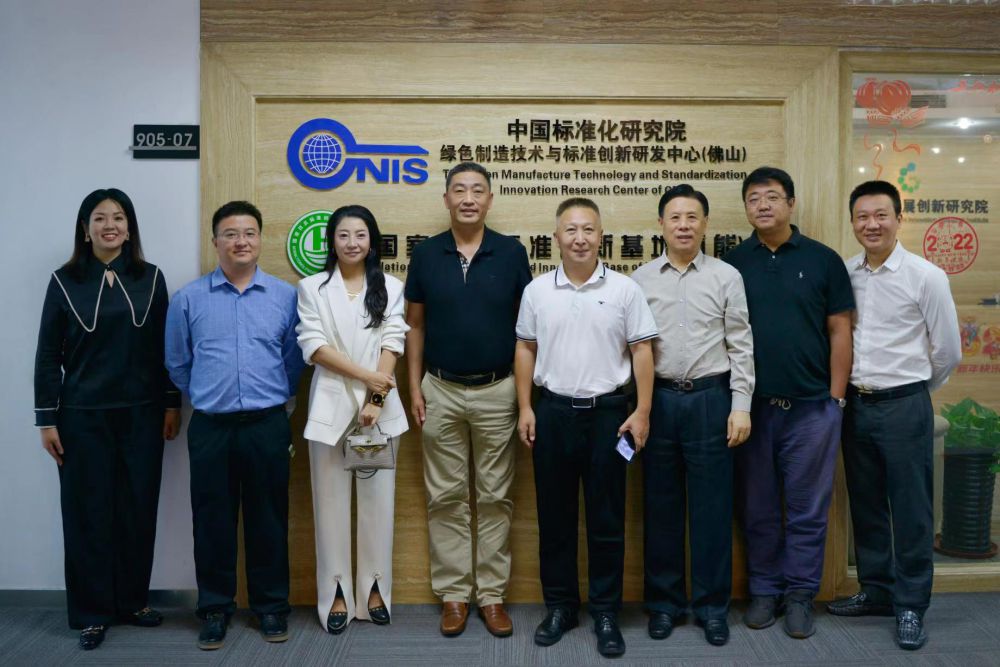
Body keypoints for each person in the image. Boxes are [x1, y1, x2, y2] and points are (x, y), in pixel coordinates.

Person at [34, 188, 181, 650]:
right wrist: (46, 419)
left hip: (143, 414)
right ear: (85, 229)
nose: (110, 225)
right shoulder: (64, 281)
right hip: (82, 417)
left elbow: (165, 348)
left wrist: (171, 403)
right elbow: (47, 354)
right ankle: (92, 612)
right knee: (88, 514)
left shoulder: (151, 278)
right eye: (99, 218)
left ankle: (132, 601)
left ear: (130, 227)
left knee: (137, 509)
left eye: (118, 217)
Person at [515, 198, 657, 658]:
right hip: (552, 413)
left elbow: (642, 352)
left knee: (606, 519)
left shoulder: (624, 289)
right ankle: (560, 607)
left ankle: (606, 612)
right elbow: (525, 350)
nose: (580, 238)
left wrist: (643, 411)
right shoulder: (537, 290)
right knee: (554, 518)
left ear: (601, 236)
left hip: (609, 417)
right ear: (556, 237)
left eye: (588, 230)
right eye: (571, 230)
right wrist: (525, 407)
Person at [826, 180, 961, 650]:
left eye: (881, 215)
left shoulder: (926, 276)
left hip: (905, 404)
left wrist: (915, 390)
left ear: (899, 218)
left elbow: (948, 351)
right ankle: (878, 590)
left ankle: (911, 605)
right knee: (866, 504)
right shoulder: (846, 274)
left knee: (911, 510)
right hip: (856, 406)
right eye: (862, 216)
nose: (872, 224)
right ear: (853, 222)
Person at [165, 201, 304, 650]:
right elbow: (177, 362)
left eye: (248, 233)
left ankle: (270, 607)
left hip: (267, 424)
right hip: (212, 426)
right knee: (212, 521)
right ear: (215, 242)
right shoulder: (188, 299)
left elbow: (294, 360)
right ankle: (214, 609)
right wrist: (210, 393)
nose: (240, 241)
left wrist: (274, 397)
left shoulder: (285, 297)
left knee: (269, 519)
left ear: (260, 239)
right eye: (230, 234)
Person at [723, 167, 855, 639]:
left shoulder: (823, 260)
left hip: (813, 409)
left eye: (772, 197)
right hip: (753, 410)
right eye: (754, 198)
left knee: (807, 508)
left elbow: (840, 330)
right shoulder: (733, 263)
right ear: (746, 206)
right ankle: (764, 590)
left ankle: (800, 594)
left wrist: (836, 400)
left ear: (791, 203)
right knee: (757, 506)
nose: (763, 205)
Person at [404, 162, 531, 638]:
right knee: (446, 497)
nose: (468, 198)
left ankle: (492, 596)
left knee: (496, 497)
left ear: (490, 199)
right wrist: (413, 387)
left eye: (478, 190)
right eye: (459, 190)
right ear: (446, 199)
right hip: (439, 389)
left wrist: (523, 398)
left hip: (498, 390)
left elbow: (526, 332)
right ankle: (454, 595)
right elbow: (414, 325)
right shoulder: (426, 254)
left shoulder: (512, 252)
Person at [631, 184, 754, 647]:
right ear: (661, 224)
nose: (683, 225)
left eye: (692, 217)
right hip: (658, 402)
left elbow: (741, 344)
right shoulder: (640, 279)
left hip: (710, 400)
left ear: (705, 224)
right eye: (675, 217)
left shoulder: (726, 276)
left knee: (712, 510)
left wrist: (740, 406)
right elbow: (633, 349)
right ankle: (664, 605)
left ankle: (711, 608)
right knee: (660, 508)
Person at [296, 205, 409, 634]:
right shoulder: (311, 288)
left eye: (360, 235)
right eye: (343, 235)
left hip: (378, 412)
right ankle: (336, 593)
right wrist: (367, 379)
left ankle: (375, 589)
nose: (352, 243)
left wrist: (376, 398)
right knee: (329, 506)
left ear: (372, 241)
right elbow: (314, 346)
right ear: (332, 241)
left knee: (379, 503)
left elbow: (394, 340)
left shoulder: (391, 286)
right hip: (330, 410)